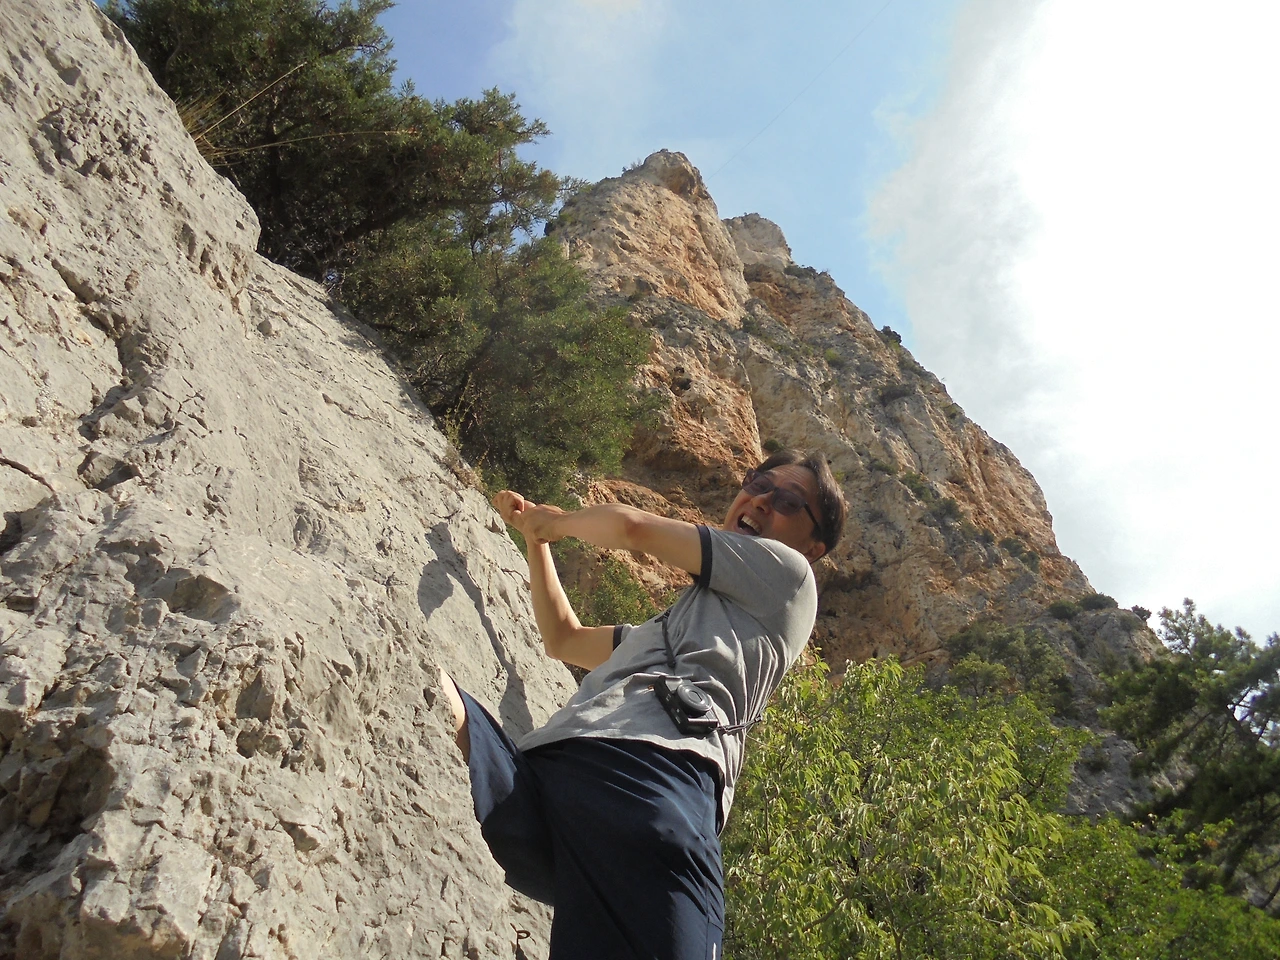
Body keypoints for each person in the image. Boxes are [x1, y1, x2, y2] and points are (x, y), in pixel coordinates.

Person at [439, 449, 846, 960]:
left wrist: (555, 524)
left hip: (551, 790)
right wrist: (535, 539)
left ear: (813, 547)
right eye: (758, 482)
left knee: (445, 704)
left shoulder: (792, 577)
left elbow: (630, 532)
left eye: (787, 500)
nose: (762, 500)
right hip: (651, 788)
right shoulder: (667, 630)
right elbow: (564, 638)